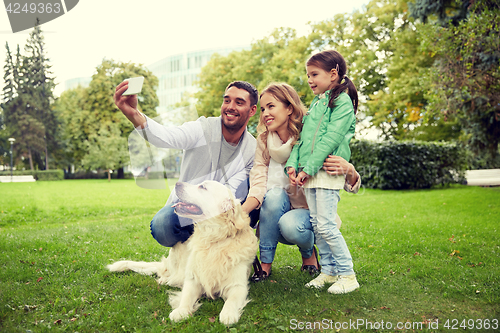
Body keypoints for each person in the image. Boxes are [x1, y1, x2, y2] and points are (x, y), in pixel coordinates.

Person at [114, 80, 259, 247]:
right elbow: (167, 136)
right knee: (162, 225)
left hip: (219, 216)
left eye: (239, 102)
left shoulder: (252, 149)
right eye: (227, 100)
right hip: (187, 207)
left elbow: (231, 190)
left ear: (252, 110)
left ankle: (214, 246)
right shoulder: (203, 128)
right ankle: (193, 251)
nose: (230, 106)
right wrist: (134, 114)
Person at [241, 82, 361, 282]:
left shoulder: (310, 134)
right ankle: (265, 266)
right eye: (262, 109)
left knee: (291, 224)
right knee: (273, 195)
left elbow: (340, 177)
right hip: (275, 214)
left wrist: (350, 170)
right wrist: (241, 213)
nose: (265, 113)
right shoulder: (263, 141)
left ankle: (309, 255)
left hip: (308, 216)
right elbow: (259, 180)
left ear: (289, 108)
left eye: (271, 106)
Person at [285, 50, 360, 294]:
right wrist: (293, 165)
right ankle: (328, 271)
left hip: (326, 171)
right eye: (308, 75)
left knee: (327, 225)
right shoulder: (317, 103)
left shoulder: (341, 102)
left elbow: (330, 139)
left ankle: (347, 275)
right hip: (312, 172)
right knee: (318, 226)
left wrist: (309, 168)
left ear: (333, 74)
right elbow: (301, 141)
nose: (309, 79)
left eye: (314, 74)